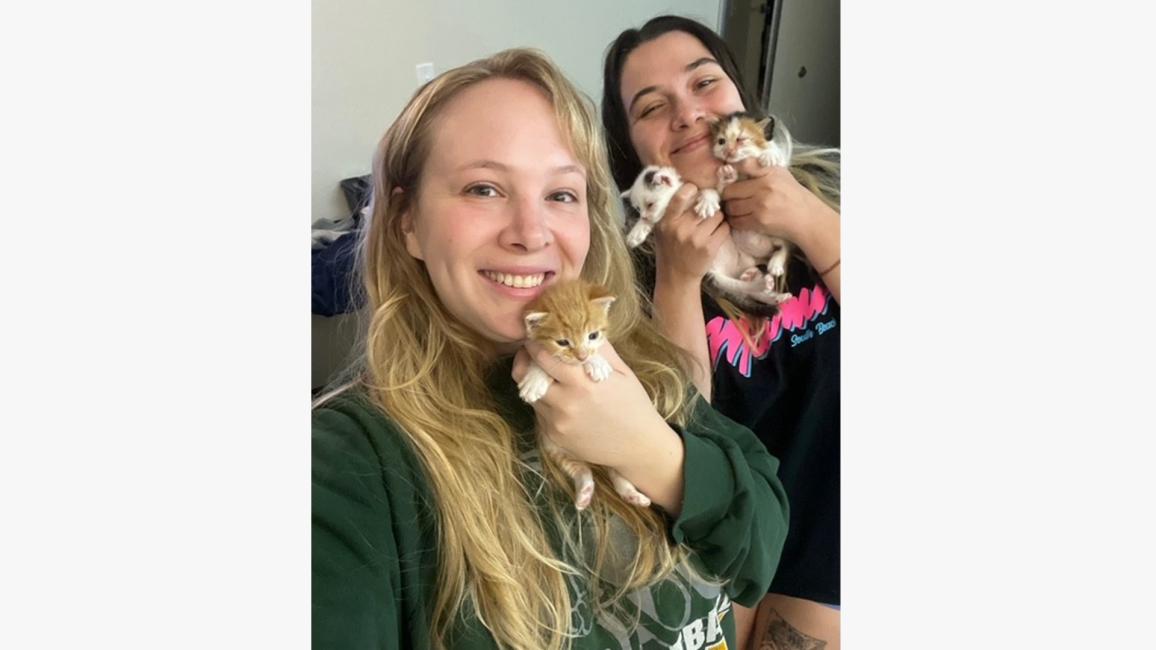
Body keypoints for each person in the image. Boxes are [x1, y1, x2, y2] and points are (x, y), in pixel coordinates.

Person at [312, 48, 790, 649]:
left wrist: (654, 453)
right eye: (484, 188)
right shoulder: (348, 466)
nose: (531, 233)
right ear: (407, 222)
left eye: (562, 194)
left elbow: (760, 551)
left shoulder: (635, 365)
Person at [601, 15, 842, 649]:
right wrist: (677, 280)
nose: (687, 114)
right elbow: (680, 430)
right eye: (652, 107)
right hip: (720, 542)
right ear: (631, 149)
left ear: (740, 94)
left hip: (832, 532)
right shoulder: (624, 268)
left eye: (704, 82)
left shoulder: (830, 188)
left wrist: (806, 217)